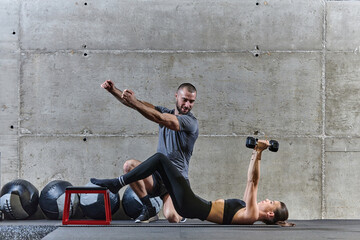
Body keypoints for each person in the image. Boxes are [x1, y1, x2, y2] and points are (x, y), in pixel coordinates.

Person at [91, 139, 294, 226]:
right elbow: (250, 183)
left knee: (161, 159)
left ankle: (118, 183)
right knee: (160, 164)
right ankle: (124, 184)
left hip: (191, 205)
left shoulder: (250, 215)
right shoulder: (245, 210)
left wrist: (259, 152)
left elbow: (253, 181)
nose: (267, 199)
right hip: (191, 203)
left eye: (272, 202)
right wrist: (255, 153)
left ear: (269, 214)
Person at [100, 80, 198, 223]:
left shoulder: (190, 122)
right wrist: (113, 90)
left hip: (177, 180)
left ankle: (180, 208)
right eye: (184, 100)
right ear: (176, 96)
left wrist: (135, 103)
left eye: (191, 101)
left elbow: (160, 118)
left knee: (171, 216)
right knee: (129, 166)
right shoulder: (164, 111)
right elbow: (136, 104)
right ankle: (149, 209)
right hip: (157, 178)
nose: (187, 105)